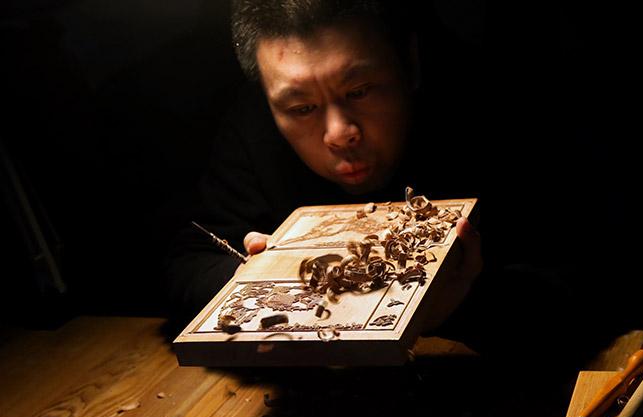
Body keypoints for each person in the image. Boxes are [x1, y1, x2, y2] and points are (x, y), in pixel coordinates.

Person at [165, 0, 483, 335]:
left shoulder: (472, 104)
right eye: (302, 108)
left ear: (411, 63)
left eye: (358, 92)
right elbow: (185, 263)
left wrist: (463, 308)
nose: (339, 133)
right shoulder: (252, 126)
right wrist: (256, 286)